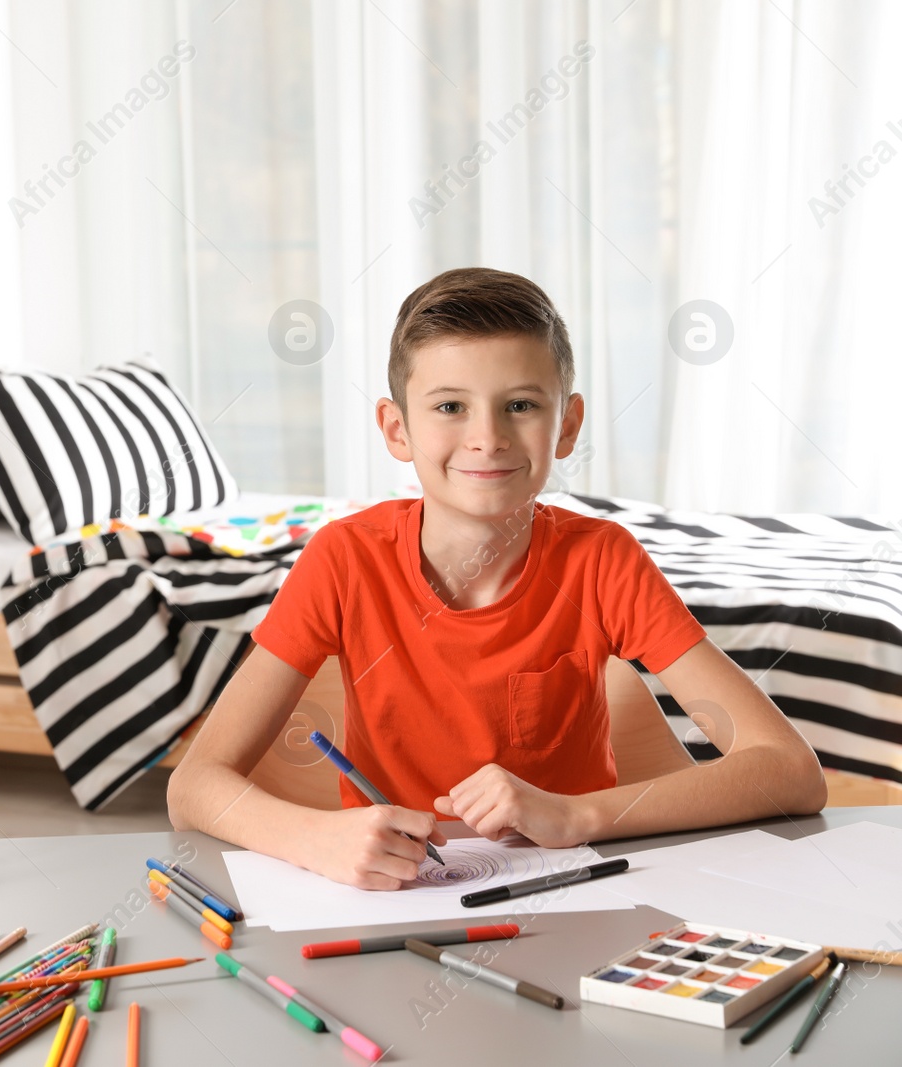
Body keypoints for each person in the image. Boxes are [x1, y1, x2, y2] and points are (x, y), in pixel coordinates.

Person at [166, 267, 825, 890]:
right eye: (450, 405)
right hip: (398, 904)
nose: (488, 437)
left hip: (573, 901)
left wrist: (576, 815)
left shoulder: (604, 561)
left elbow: (791, 772)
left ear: (566, 426)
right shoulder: (343, 559)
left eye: (519, 405)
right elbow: (193, 786)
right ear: (398, 430)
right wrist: (314, 838)